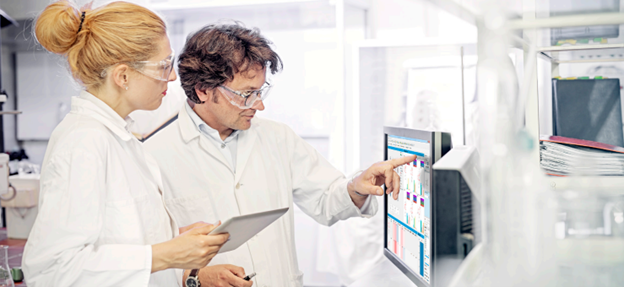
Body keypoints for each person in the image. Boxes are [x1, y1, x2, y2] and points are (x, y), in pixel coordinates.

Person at [143, 23, 415, 287]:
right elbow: (139, 260)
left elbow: (326, 199)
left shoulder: (277, 137)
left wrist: (356, 187)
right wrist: (194, 278)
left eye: (260, 91)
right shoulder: (150, 154)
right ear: (202, 90)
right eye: (246, 94)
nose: (259, 105)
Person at [22, 2, 230, 286]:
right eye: (163, 65)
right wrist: (164, 254)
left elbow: (115, 238)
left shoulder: (118, 136)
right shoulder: (83, 142)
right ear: (122, 76)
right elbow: (52, 270)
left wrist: (173, 239)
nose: (171, 76)